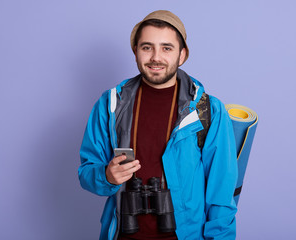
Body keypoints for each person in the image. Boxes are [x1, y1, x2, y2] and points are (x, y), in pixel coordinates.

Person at [78, 10, 238, 240]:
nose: (156, 57)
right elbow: (86, 172)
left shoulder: (208, 109)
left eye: (166, 48)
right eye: (147, 47)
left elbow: (221, 193)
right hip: (124, 233)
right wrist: (107, 176)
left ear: (182, 55)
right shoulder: (110, 104)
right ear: (135, 51)